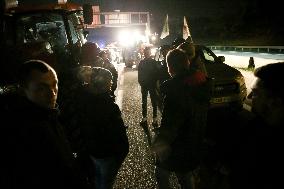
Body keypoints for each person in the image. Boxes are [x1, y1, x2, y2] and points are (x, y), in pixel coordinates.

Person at [0, 60, 87, 189]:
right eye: (41, 88)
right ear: (23, 91)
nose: (52, 92)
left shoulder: (47, 113)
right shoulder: (20, 130)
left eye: (54, 84)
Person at [152, 49, 211, 189]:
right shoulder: (201, 82)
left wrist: (161, 142)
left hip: (178, 144)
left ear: (170, 67)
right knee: (185, 174)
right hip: (194, 139)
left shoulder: (174, 89)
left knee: (161, 173)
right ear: (187, 63)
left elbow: (171, 123)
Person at [72, 67, 129, 189]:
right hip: (106, 154)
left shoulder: (82, 99)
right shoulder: (108, 106)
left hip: (91, 151)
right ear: (103, 84)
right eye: (110, 82)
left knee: (95, 180)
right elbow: (119, 136)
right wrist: (121, 154)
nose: (111, 84)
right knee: (105, 183)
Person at [230, 62, 284, 189]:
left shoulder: (266, 148)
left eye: (255, 92)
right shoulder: (256, 126)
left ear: (274, 102)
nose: (248, 96)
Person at [138, 46, 159, 125]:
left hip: (151, 84)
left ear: (150, 53)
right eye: (145, 52)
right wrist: (141, 82)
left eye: (148, 52)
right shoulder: (141, 62)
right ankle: (144, 117)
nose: (147, 53)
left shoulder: (153, 62)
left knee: (154, 101)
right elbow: (139, 74)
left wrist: (155, 82)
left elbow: (156, 73)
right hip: (144, 84)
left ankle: (155, 118)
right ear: (144, 53)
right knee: (144, 102)